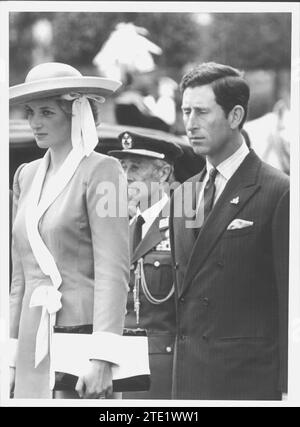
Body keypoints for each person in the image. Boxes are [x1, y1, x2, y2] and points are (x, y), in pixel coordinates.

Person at [9, 62, 130, 399]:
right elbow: (19, 278)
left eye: (47, 112)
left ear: (76, 114)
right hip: (32, 339)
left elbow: (113, 269)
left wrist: (103, 355)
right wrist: (9, 356)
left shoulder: (106, 171)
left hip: (81, 339)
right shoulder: (25, 175)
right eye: (30, 111)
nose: (34, 122)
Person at [169, 62, 289, 400]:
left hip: (247, 383)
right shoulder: (183, 193)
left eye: (202, 112)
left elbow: (290, 303)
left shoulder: (279, 191)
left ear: (235, 116)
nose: (189, 124)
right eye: (185, 111)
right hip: (187, 382)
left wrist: (289, 390)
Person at [108, 131, 182, 398]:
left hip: (163, 367)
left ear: (163, 173)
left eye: (135, 167)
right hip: (118, 365)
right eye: (123, 166)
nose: (125, 175)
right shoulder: (121, 227)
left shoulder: (183, 225)